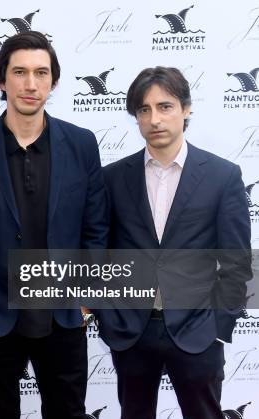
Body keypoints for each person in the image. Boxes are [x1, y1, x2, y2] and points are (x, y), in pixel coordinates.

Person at [0, 31, 108, 419]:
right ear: (2, 80)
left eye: (41, 73)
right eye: (20, 72)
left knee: (68, 412)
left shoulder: (82, 144)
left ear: (54, 82)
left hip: (63, 313)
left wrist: (86, 300)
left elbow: (95, 229)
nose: (31, 84)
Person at [96, 66, 252, 418]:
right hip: (132, 332)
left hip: (198, 331)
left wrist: (218, 327)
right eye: (144, 110)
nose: (154, 119)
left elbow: (237, 262)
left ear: (186, 109)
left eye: (165, 107)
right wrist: (109, 318)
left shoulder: (222, 176)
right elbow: (100, 255)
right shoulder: (113, 178)